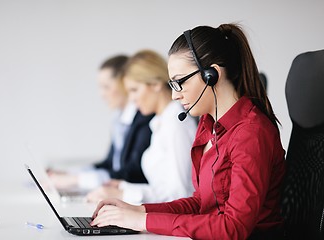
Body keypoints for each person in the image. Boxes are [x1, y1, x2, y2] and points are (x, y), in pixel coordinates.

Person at [90, 23, 286, 240]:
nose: (175, 95)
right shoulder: (208, 124)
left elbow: (233, 228)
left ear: (212, 75)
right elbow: (201, 203)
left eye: (179, 82)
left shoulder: (251, 133)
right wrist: (140, 211)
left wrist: (142, 222)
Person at [86, 49, 197, 204]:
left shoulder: (176, 123)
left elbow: (180, 194)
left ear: (156, 84)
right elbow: (162, 187)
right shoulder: (160, 122)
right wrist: (124, 186)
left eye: (134, 90)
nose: (132, 99)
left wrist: (124, 194)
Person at [47, 55, 154, 191]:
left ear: (124, 83)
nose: (102, 94)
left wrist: (76, 179)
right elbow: (109, 164)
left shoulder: (144, 118)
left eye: (106, 87)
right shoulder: (118, 119)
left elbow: (133, 172)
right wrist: (70, 174)